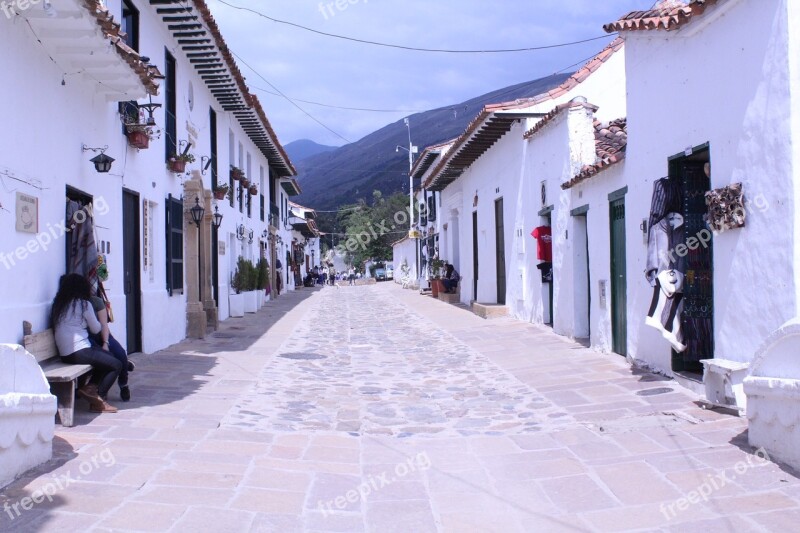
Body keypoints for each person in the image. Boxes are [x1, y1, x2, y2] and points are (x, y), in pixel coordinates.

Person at [51, 274, 121, 413]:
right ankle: (98, 400)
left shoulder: (59, 304)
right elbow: (95, 329)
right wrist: (101, 323)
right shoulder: (84, 304)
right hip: (79, 350)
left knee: (107, 356)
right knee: (116, 364)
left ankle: (90, 388)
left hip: (66, 353)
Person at [88, 291, 134, 401]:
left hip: (102, 335)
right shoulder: (76, 303)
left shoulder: (96, 302)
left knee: (120, 354)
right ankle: (100, 390)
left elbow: (104, 325)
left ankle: (123, 383)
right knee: (108, 358)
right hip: (87, 339)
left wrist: (105, 342)